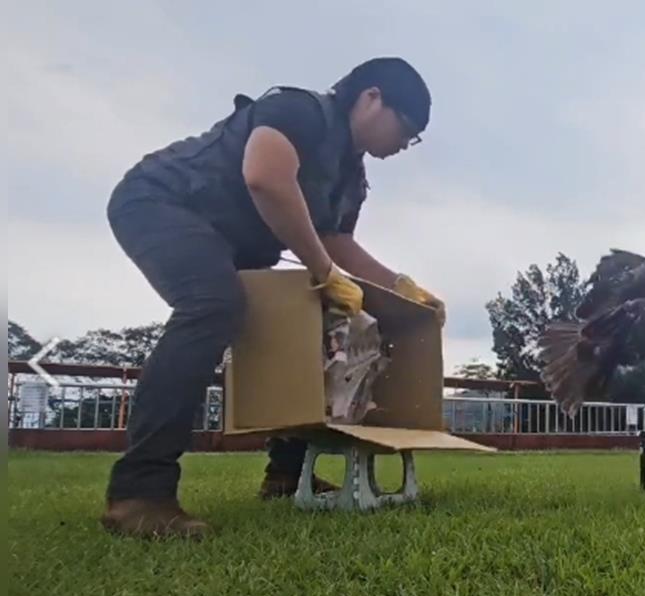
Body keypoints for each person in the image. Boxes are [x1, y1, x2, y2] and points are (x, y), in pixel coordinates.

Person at [101, 58, 445, 539]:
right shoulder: (299, 110)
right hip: (165, 202)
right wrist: (323, 273)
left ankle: (286, 474)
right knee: (212, 305)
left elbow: (334, 241)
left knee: (311, 326)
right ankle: (140, 492)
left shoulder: (350, 177)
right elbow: (265, 177)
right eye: (405, 128)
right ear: (371, 98)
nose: (405, 144)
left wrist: (402, 285)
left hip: (237, 242)